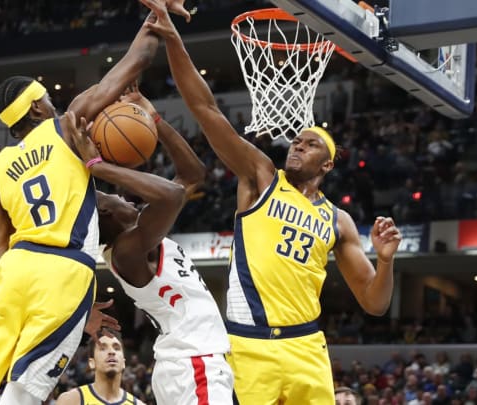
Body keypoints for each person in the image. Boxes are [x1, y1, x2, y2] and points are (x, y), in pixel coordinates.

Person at [138, 0, 402, 403]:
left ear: (327, 164)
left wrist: (385, 260)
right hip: (248, 346)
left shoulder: (338, 221)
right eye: (297, 140)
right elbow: (205, 109)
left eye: (311, 144)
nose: (298, 144)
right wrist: (175, 40)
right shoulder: (261, 176)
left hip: (306, 349)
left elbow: (375, 303)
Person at [0, 2, 191, 402]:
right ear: (36, 106)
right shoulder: (66, 126)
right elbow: (136, 60)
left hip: (15, 269)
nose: (53, 100)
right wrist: (157, 14)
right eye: (47, 97)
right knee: (25, 389)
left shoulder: (2, 165)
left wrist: (17, 288)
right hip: (63, 270)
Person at [68, 85, 233, 404]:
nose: (122, 195)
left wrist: (154, 117)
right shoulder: (128, 251)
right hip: (195, 363)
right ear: (106, 212)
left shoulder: (140, 236)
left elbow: (192, 175)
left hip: (187, 364)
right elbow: (171, 195)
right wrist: (98, 167)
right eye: (113, 196)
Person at [56, 331, 145, 405]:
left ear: (123, 363)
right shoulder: (70, 400)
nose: (111, 352)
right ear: (92, 363)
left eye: (116, 348)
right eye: (103, 348)